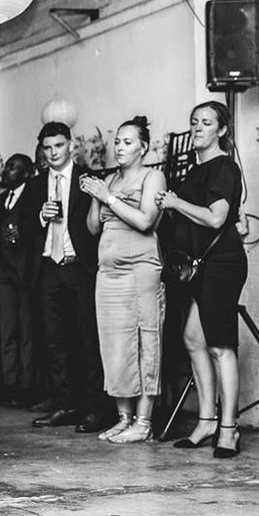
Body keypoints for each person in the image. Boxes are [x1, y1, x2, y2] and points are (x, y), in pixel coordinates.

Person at [156, 101, 247, 458]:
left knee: (221, 345)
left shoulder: (224, 167)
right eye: (194, 122)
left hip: (221, 263)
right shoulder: (192, 171)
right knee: (193, 339)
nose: (197, 128)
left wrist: (175, 203)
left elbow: (214, 219)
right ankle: (206, 420)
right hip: (194, 266)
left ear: (221, 130)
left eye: (206, 123)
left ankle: (229, 428)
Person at [82, 117, 166, 443]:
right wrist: (95, 194)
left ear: (143, 147)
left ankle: (143, 423)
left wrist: (108, 197)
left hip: (141, 269)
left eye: (128, 142)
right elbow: (92, 227)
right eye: (117, 141)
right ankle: (124, 417)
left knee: (145, 342)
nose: (120, 147)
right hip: (109, 273)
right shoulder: (109, 180)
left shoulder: (152, 176)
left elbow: (146, 221)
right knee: (114, 345)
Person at [25, 122, 113, 433]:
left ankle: (95, 408)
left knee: (88, 339)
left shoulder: (89, 180)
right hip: (49, 268)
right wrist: (40, 216)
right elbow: (22, 229)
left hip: (80, 267)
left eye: (58, 146)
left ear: (70, 145)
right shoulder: (35, 186)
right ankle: (65, 404)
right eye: (47, 148)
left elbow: (98, 225)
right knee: (54, 341)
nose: (52, 153)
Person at [0, 154, 36, 407]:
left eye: (14, 168)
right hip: (4, 274)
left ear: (26, 174)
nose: (8, 171)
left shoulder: (33, 197)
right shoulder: (2, 200)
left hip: (25, 274)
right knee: (6, 331)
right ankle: (9, 384)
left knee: (26, 332)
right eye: (7, 166)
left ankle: (26, 388)